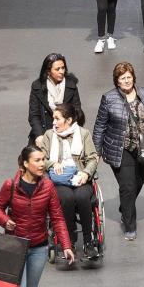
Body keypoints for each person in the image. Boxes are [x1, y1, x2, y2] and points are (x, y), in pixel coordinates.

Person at [0, 144, 74, 287]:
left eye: (43, 159)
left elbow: (58, 218)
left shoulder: (48, 186)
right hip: (16, 247)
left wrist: (66, 245)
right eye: (37, 160)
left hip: (39, 247)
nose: (42, 164)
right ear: (26, 164)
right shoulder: (10, 185)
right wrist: (5, 221)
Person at [92, 62, 144, 240]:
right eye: (123, 78)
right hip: (120, 148)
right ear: (117, 81)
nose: (127, 81)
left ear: (133, 78)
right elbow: (99, 127)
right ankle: (130, 225)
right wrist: (96, 153)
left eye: (129, 77)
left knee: (138, 181)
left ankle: (125, 205)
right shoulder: (108, 98)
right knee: (128, 186)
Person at [37, 102, 100, 258]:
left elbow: (93, 158)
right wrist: (53, 163)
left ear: (69, 120)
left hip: (79, 176)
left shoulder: (84, 134)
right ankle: (69, 242)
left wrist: (85, 173)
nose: (54, 123)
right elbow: (40, 158)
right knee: (67, 198)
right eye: (53, 119)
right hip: (58, 180)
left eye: (57, 119)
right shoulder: (49, 136)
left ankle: (88, 242)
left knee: (82, 196)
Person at [28, 53, 83, 141]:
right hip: (44, 133)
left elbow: (77, 111)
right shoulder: (37, 86)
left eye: (63, 68)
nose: (61, 71)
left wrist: (68, 130)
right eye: (57, 69)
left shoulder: (71, 85)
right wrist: (39, 135)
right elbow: (34, 115)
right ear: (48, 71)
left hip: (67, 132)